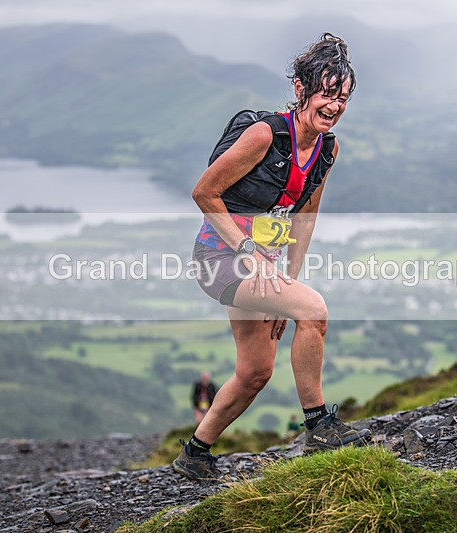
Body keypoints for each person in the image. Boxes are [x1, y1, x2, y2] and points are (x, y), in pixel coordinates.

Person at [172, 33, 370, 482]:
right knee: (315, 311)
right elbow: (204, 192)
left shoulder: (327, 149)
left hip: (260, 266)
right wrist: (250, 253)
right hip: (220, 258)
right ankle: (320, 425)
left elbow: (306, 219)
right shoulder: (264, 135)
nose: (334, 105)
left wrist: (288, 281)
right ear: (301, 89)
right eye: (326, 93)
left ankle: (195, 453)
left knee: (256, 370)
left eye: (342, 97)